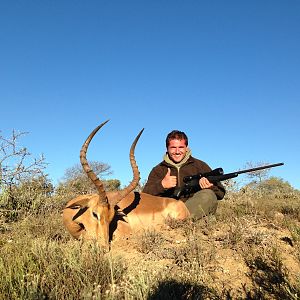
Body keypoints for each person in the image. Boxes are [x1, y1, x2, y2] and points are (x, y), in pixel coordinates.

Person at [143, 130, 225, 218]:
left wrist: (210, 187)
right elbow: (145, 195)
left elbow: (221, 193)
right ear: (167, 148)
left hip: (192, 210)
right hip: (167, 211)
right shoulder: (158, 170)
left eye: (181, 147)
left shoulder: (200, 165)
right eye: (173, 147)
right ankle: (177, 221)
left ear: (186, 148)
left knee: (208, 194)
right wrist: (162, 185)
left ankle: (180, 220)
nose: (177, 151)